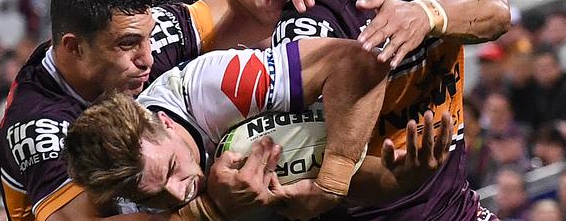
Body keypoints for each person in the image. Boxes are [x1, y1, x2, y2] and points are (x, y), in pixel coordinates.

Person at [0, 0, 320, 221]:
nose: (147, 58)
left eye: (149, 35)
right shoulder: (39, 129)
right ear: (74, 47)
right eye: (128, 44)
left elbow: (235, 5)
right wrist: (210, 209)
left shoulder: (139, 33)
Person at [272, 0, 510, 219]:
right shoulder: (311, 19)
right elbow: (305, 161)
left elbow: (493, 7)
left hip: (460, 210)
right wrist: (392, 177)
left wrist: (426, 14)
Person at [63, 37, 453, 218]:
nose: (177, 192)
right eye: (155, 196)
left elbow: (360, 61)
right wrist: (212, 211)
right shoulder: (128, 190)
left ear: (163, 123)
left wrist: (331, 185)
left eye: (169, 170)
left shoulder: (217, 87)